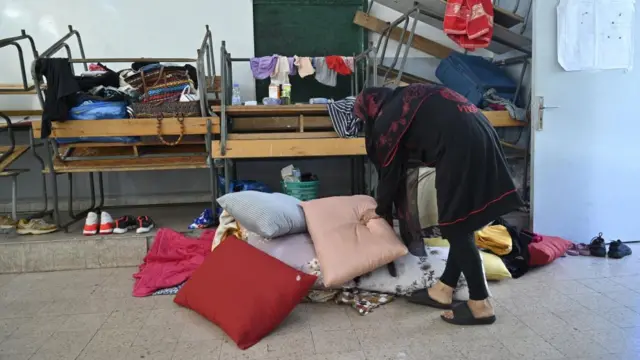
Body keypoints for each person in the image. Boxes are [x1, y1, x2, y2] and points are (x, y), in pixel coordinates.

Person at [354, 84, 523, 326]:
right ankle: (443, 288)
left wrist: (380, 210)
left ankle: (480, 304)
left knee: (456, 225)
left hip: (460, 146)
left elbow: (389, 173)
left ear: (369, 108)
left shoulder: (387, 120)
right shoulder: (402, 99)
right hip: (482, 133)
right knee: (464, 220)